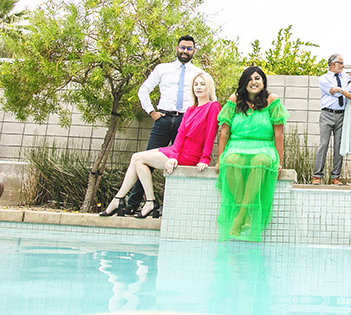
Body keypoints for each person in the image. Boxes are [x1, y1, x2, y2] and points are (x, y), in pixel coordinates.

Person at [100, 72, 220, 218]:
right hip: (178, 151)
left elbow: (211, 134)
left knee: (138, 159)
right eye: (196, 84)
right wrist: (174, 155)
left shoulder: (213, 107)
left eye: (202, 84)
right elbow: (181, 134)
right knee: (137, 158)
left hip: (190, 155)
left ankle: (129, 200)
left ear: (209, 87)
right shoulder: (190, 109)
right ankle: (140, 200)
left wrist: (204, 159)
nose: (198, 87)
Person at [126, 35, 204, 214]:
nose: (185, 51)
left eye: (189, 48)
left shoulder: (199, 73)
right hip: (163, 120)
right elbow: (143, 90)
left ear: (194, 51)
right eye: (182, 47)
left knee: (179, 163)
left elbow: (203, 98)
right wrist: (152, 112)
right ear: (176, 48)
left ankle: (170, 208)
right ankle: (133, 204)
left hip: (185, 122)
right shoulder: (162, 69)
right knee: (147, 160)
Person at [215, 66, 288, 241]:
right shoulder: (234, 100)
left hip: (263, 147)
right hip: (236, 145)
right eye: (249, 79)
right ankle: (245, 215)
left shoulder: (272, 101)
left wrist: (279, 161)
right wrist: (219, 159)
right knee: (231, 161)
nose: (253, 82)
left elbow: (278, 134)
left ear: (263, 82)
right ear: (243, 83)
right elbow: (224, 133)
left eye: (257, 79)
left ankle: (240, 217)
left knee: (260, 162)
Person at [313, 54, 351, 185]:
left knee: (339, 146)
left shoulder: (346, 78)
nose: (344, 66)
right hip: (327, 114)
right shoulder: (323, 79)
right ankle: (317, 176)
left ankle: (335, 177)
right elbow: (335, 92)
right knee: (324, 144)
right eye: (341, 63)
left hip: (342, 114)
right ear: (333, 64)